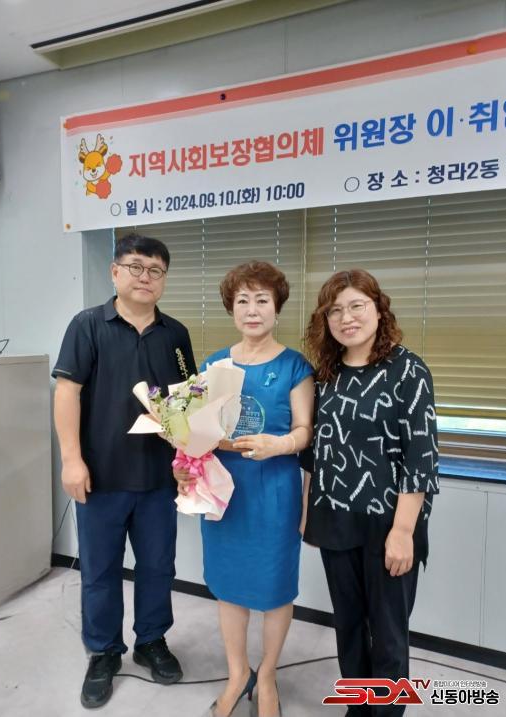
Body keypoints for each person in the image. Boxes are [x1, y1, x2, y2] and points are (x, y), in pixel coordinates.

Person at [53, 233, 196, 709]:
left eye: (155, 270)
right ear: (115, 272)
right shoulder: (88, 325)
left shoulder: (176, 335)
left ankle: (151, 640)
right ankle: (104, 652)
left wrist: (189, 460)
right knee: (100, 571)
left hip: (158, 479)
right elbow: (67, 393)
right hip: (100, 477)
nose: (144, 277)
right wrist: (71, 459)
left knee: (158, 566)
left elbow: (186, 403)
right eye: (135, 267)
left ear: (164, 280)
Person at [175, 261, 314, 717]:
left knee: (276, 590)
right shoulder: (213, 364)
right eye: (243, 301)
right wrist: (185, 465)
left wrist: (281, 444)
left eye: (262, 300)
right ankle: (238, 674)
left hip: (274, 491)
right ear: (231, 308)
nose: (252, 310)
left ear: (277, 308)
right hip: (224, 493)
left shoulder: (295, 366)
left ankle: (267, 675)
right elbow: (193, 432)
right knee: (229, 587)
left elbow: (305, 430)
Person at [301, 269, 439, 716]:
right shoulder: (326, 374)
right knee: (349, 629)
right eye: (335, 310)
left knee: (388, 635)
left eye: (357, 306)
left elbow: (421, 458)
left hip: (389, 524)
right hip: (335, 519)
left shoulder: (408, 370)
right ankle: (357, 708)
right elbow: (315, 452)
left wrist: (403, 531)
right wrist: (308, 515)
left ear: (379, 310)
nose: (346, 318)